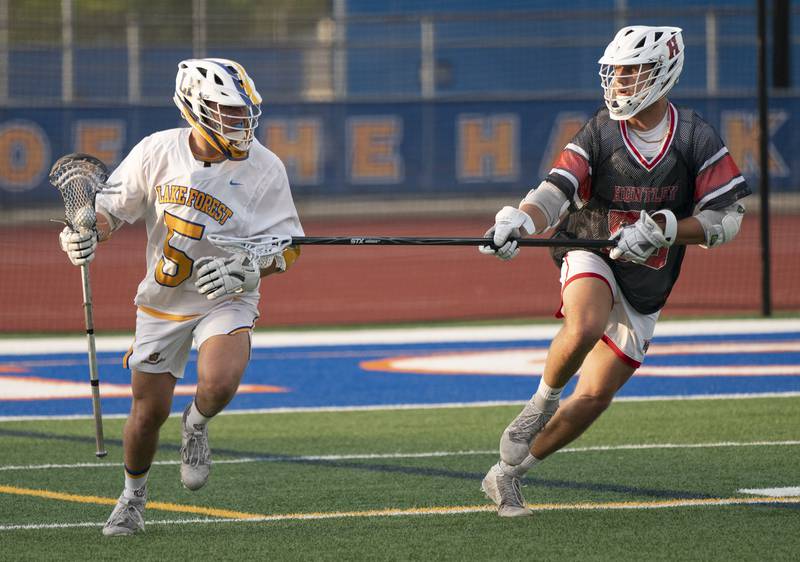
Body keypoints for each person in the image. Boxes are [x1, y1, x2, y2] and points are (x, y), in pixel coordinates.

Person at [477, 26, 750, 517]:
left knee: (597, 395)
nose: (620, 82)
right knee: (583, 324)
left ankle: (507, 476)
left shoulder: (693, 135)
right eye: (616, 72)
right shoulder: (601, 129)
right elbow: (555, 190)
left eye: (631, 72)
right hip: (590, 247)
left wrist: (667, 227)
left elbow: (726, 220)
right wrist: (519, 218)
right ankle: (540, 403)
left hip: (650, 276)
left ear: (662, 73)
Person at [58, 58, 304, 535]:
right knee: (147, 414)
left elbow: (289, 248)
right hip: (163, 299)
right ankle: (132, 498)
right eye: (227, 111)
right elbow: (110, 210)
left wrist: (250, 271)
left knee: (219, 382)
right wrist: (87, 233)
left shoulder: (265, 167)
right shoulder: (157, 151)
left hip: (224, 295)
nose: (240, 122)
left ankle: (195, 425)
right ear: (196, 106)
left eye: (242, 111)